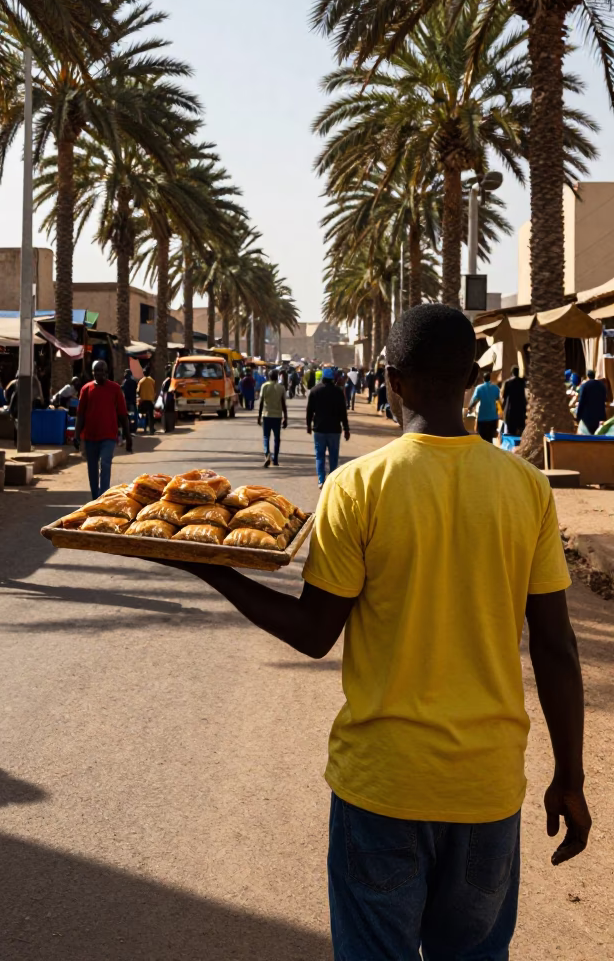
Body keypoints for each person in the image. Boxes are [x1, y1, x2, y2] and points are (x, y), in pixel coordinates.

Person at [154, 303, 589, 958]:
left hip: (382, 788)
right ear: (473, 377)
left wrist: (209, 565)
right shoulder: (525, 488)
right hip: (486, 790)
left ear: (390, 379)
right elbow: (556, 647)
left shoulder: (357, 486)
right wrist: (571, 776)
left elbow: (313, 631)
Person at [75, 359, 133, 498]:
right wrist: (76, 435)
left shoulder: (115, 389)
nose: (99, 374)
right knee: (92, 468)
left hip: (108, 436)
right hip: (90, 436)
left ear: (106, 372)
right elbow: (80, 414)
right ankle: (95, 497)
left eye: (101, 371)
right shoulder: (86, 389)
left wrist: (128, 436)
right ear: (92, 373)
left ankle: (104, 496)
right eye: (96, 371)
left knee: (105, 465)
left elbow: (122, 414)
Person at [306, 366, 350, 488]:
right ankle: (332, 479)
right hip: (334, 429)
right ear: (332, 379)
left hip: (319, 429)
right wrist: (346, 429)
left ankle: (321, 480)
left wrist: (308, 425)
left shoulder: (315, 391)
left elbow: (310, 410)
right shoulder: (338, 392)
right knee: (333, 456)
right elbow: (343, 412)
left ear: (323, 378)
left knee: (319, 455)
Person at [258, 368, 287, 468]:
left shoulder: (264, 386)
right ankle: (275, 459)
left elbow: (261, 402)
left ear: (269, 377)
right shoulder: (281, 387)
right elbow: (283, 403)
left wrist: (259, 416)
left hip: (266, 415)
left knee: (266, 436)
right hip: (277, 416)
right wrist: (285, 417)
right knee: (277, 438)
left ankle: (267, 454)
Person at [469, 368, 502, 443]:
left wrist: (470, 408)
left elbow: (475, 400)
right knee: (490, 439)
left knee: (482, 439)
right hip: (493, 417)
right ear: (489, 378)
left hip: (482, 418)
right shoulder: (495, 388)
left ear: (483, 379)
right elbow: (498, 400)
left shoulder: (479, 388)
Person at [576, 369, 608, 435]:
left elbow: (581, 401)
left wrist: (578, 416)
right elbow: (604, 399)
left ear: (587, 376)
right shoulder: (602, 386)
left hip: (587, 418)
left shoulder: (584, 386)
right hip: (600, 416)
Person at [501, 366, 527, 438]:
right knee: (520, 434)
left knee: (509, 434)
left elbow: (504, 397)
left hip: (510, 411)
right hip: (520, 411)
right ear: (518, 373)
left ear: (511, 373)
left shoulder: (507, 382)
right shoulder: (522, 382)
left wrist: (503, 408)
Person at [137, 368, 157, 434]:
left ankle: (145, 429)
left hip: (143, 401)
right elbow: (154, 390)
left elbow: (138, 391)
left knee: (144, 415)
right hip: (150, 401)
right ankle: (151, 430)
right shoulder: (152, 381)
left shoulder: (141, 381)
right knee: (151, 416)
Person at [160, 365, 176, 433]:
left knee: (166, 412)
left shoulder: (166, 381)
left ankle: (167, 428)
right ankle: (170, 427)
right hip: (169, 398)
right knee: (170, 412)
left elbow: (163, 390)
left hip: (167, 397)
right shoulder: (171, 381)